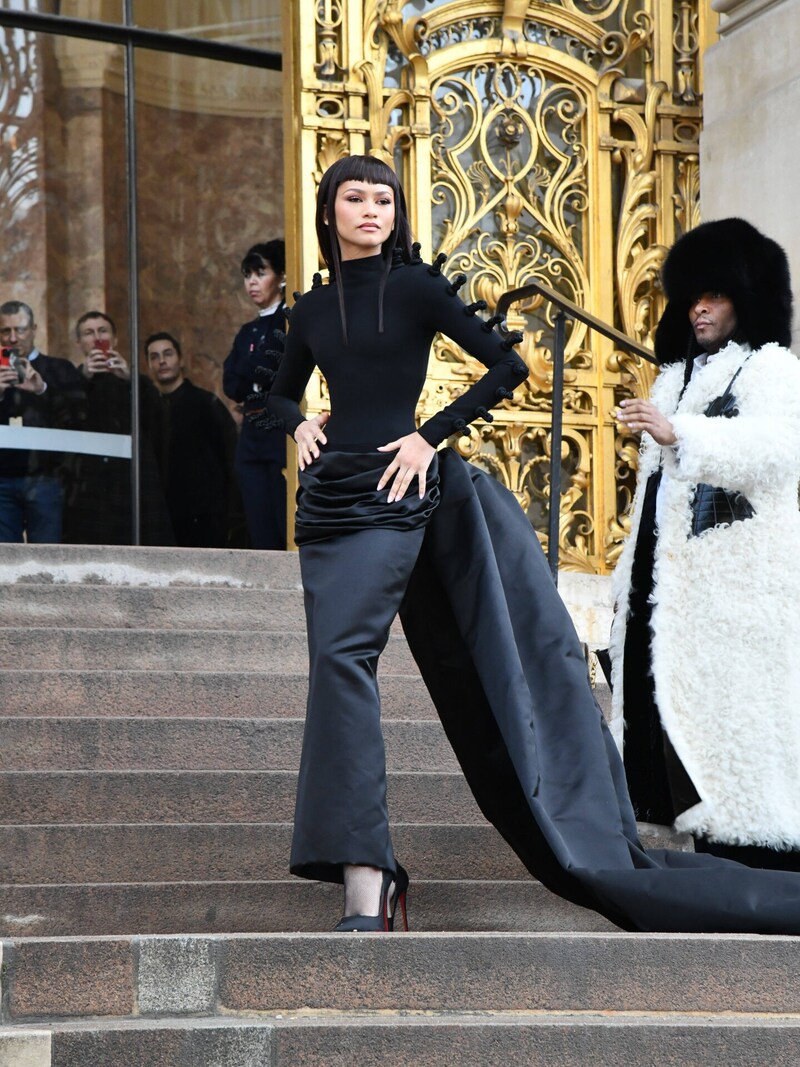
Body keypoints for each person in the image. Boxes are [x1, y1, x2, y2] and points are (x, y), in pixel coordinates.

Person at [262, 162, 800, 938]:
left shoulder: (415, 288)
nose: (372, 210)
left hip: (399, 495)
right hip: (329, 508)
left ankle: (365, 879)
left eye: (385, 199)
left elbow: (510, 366)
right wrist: (296, 420)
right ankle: (368, 866)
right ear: (329, 210)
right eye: (356, 198)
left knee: (347, 661)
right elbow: (279, 388)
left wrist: (429, 435)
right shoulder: (310, 308)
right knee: (335, 668)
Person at [613, 218, 800, 869]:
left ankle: (759, 871)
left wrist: (681, 433)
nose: (699, 306)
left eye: (715, 293)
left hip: (737, 592)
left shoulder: (769, 368)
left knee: (741, 741)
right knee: (670, 725)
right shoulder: (675, 378)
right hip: (669, 591)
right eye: (693, 293)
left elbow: (779, 451)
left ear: (746, 297)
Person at [64, 310, 171, 545]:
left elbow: (157, 417)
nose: (96, 338)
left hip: (131, 476)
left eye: (103, 331)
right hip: (89, 480)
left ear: (115, 339)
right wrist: (84, 379)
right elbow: (65, 419)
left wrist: (130, 378)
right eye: (89, 333)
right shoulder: (71, 379)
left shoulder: (133, 379)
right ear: (79, 343)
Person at [0, 300, 83, 542]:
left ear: (34, 329)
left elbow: (77, 416)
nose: (13, 338)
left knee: (48, 556)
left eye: (21, 329)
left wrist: (42, 389)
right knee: (5, 561)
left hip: (46, 477)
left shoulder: (59, 369)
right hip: (2, 478)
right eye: (6, 331)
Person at [145, 331, 238, 547]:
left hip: (205, 514)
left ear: (181, 359)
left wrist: (230, 512)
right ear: (148, 365)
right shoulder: (148, 408)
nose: (162, 361)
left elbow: (230, 455)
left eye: (167, 354)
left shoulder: (205, 404)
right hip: (164, 514)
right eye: (154, 356)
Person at [223, 240, 287, 549]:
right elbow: (231, 385)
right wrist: (257, 370)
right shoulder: (248, 331)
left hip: (279, 429)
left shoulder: (289, 320)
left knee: (282, 513)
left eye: (260, 273)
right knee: (257, 518)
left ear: (282, 277)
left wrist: (255, 369)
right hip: (251, 431)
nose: (251, 282)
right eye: (247, 274)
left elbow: (273, 370)